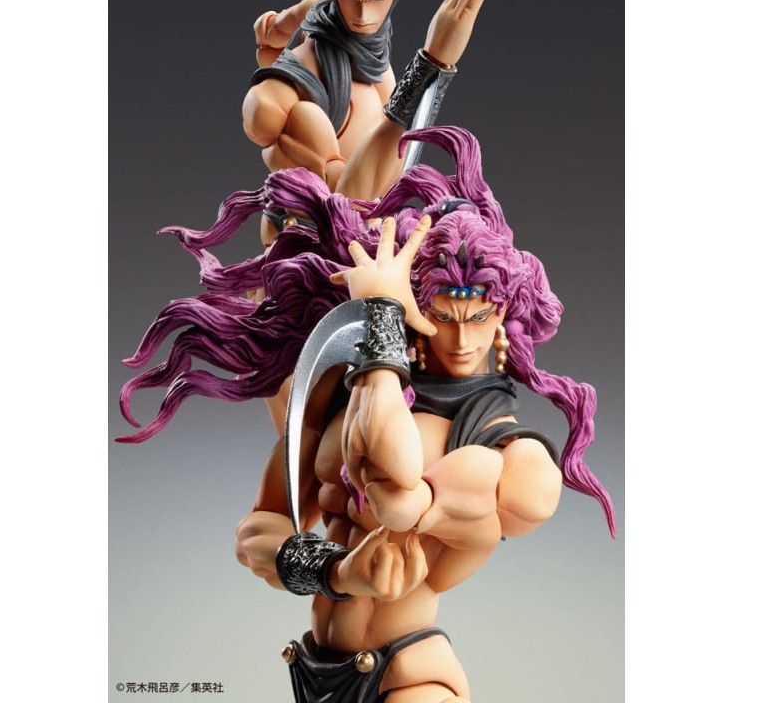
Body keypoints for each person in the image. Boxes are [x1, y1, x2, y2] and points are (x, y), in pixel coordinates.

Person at [118, 126, 615, 702]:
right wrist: (337, 572)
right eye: (442, 315)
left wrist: (380, 317)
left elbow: (398, 490)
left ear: (503, 314)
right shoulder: (340, 395)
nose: (461, 341)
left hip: (411, 675)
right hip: (314, 671)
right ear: (418, 304)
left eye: (479, 318)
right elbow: (256, 534)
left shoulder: (506, 448)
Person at [243, 0, 488, 220]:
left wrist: (270, 37)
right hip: (316, 239)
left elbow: (275, 29)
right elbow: (347, 203)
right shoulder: (287, 101)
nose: (363, 15)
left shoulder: (326, 11)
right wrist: (431, 62)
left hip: (380, 222)